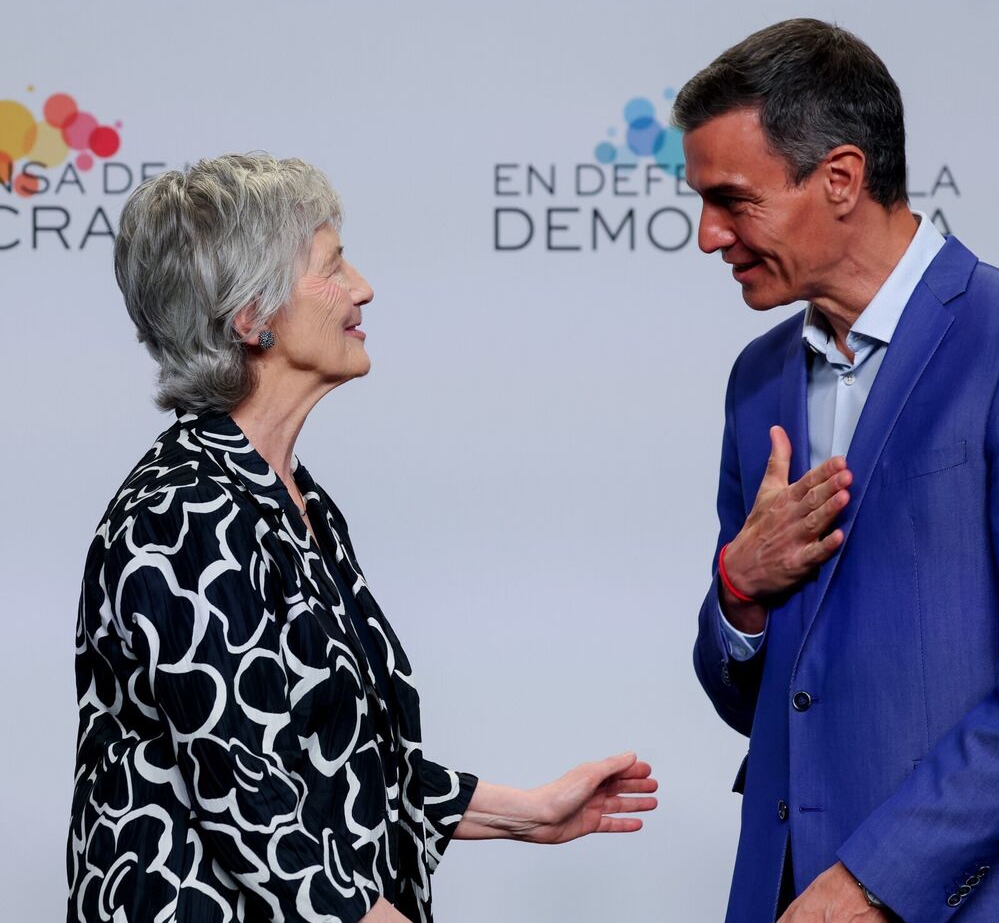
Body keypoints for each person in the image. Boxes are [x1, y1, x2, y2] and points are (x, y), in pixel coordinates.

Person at [66, 154, 657, 923]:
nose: (363, 287)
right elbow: (260, 810)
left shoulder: (295, 498)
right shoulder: (179, 517)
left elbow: (341, 758)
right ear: (252, 317)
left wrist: (528, 811)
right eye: (331, 266)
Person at [676, 19, 999, 922]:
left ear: (842, 178)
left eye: (734, 200)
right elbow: (769, 703)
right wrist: (739, 589)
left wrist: (877, 877)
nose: (707, 235)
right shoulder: (756, 382)